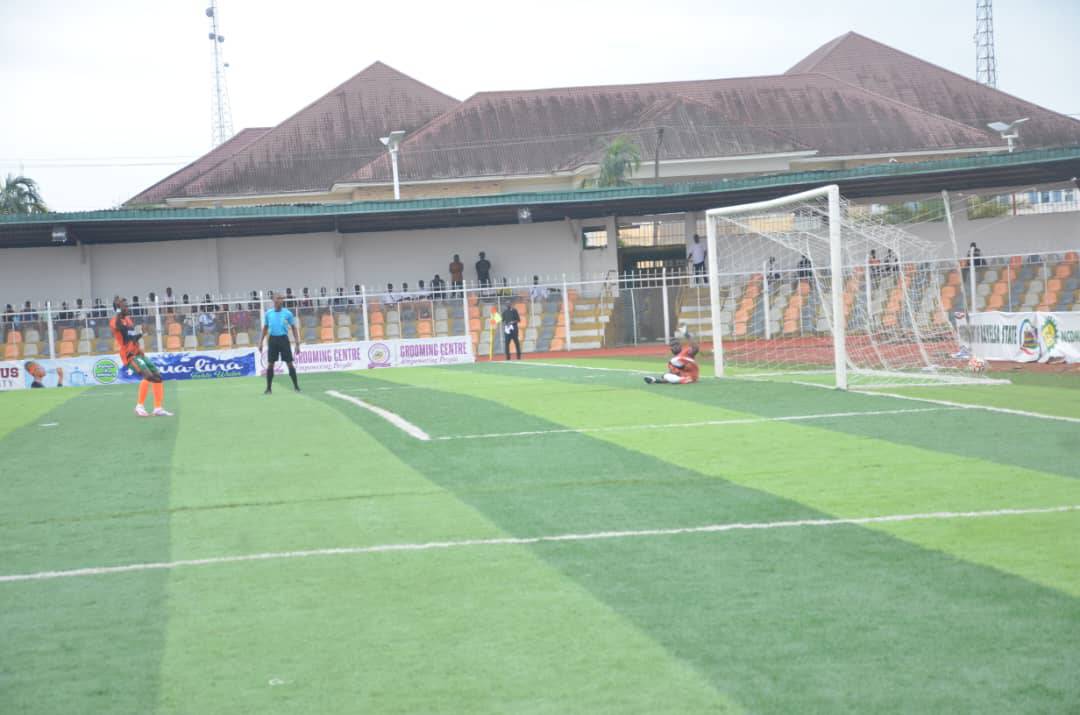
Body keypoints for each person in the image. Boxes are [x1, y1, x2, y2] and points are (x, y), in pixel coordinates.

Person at [110, 297, 171, 417]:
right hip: (129, 355)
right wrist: (118, 311)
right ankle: (139, 406)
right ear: (118, 309)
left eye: (127, 305)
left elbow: (131, 338)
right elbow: (120, 328)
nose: (128, 308)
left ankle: (158, 408)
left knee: (157, 376)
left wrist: (142, 333)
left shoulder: (128, 319)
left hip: (137, 352)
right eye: (125, 306)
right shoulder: (114, 321)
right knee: (147, 375)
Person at [259, 293, 302, 394]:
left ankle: (296, 386)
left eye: (281, 299)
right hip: (272, 340)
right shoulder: (268, 313)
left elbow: (294, 328)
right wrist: (260, 342)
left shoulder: (288, 313)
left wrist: (297, 343)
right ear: (273, 300)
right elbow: (265, 328)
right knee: (270, 365)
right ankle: (268, 388)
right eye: (278, 298)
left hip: (284, 339)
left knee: (290, 364)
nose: (280, 300)